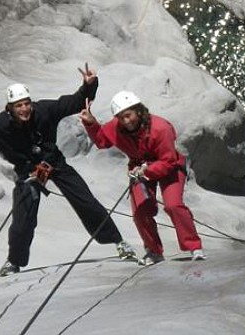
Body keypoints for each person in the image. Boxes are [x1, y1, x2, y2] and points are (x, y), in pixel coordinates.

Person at [0, 64, 137, 276]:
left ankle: (118, 242)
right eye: (19, 106)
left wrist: (89, 85)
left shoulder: (43, 111)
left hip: (54, 162)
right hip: (28, 172)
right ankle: (13, 262)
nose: (25, 109)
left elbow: (73, 103)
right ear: (10, 108)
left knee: (86, 201)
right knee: (23, 218)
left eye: (26, 104)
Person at [79, 90, 206, 265]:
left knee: (173, 205)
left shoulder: (161, 128)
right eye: (121, 117)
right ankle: (154, 251)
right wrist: (91, 124)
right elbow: (102, 141)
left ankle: (194, 247)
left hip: (169, 167)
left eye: (128, 115)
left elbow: (168, 161)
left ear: (138, 110)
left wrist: (147, 171)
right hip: (139, 168)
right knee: (140, 211)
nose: (126, 121)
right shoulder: (116, 127)